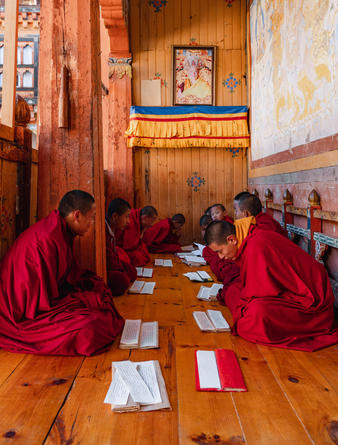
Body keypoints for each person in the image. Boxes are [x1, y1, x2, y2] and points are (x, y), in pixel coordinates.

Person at [0, 190, 124, 356]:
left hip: (46, 298)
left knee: (99, 290)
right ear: (77, 215)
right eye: (92, 217)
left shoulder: (62, 231)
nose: (93, 223)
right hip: (21, 313)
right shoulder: (47, 238)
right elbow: (37, 303)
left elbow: (66, 276)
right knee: (89, 328)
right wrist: (77, 300)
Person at [205, 219, 338, 351]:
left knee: (256, 314)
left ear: (232, 240)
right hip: (295, 290)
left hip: (313, 300)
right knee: (239, 294)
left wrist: (242, 308)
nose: (220, 257)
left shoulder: (255, 245)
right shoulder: (251, 240)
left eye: (220, 251)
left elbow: (261, 293)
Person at [106, 198, 137, 295]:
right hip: (106, 270)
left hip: (113, 265)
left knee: (132, 271)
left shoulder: (112, 229)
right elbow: (108, 261)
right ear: (115, 216)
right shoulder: (102, 231)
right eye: (127, 217)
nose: (129, 222)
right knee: (121, 280)